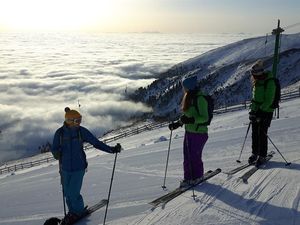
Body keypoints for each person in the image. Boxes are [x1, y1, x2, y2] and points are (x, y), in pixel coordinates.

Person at [51, 107, 121, 224]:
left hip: (79, 167)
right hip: (65, 168)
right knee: (67, 193)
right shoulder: (59, 133)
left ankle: (77, 212)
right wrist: (56, 153)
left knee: (73, 192)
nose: (79, 123)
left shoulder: (81, 131)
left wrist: (111, 149)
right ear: (69, 121)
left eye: (80, 120)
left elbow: (95, 142)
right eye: (77, 121)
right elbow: (54, 148)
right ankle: (72, 212)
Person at [168, 75, 209, 187]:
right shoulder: (189, 97)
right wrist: (178, 124)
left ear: (190, 87)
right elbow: (187, 116)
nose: (183, 89)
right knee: (187, 157)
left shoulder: (200, 99)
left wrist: (191, 120)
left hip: (199, 133)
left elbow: (204, 117)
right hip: (189, 132)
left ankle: (198, 177)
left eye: (185, 87)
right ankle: (188, 178)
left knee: (194, 157)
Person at [248, 60, 276, 166]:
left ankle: (262, 155)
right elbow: (255, 99)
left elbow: (269, 100)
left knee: (262, 133)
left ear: (259, 72)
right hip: (257, 111)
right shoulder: (257, 81)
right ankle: (255, 153)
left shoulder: (270, 81)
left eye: (254, 74)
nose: (253, 76)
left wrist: (259, 112)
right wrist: (252, 111)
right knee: (254, 133)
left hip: (266, 111)